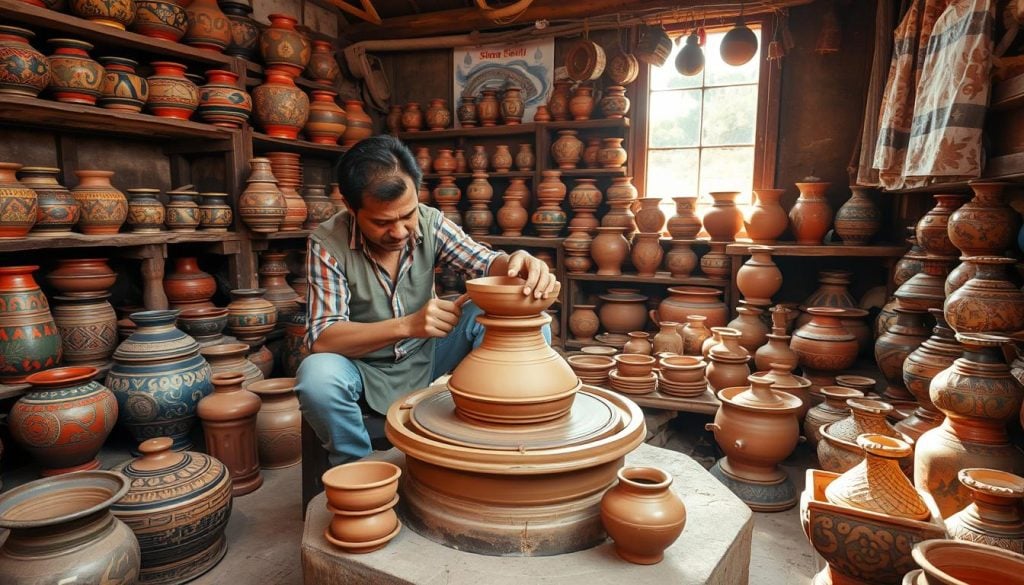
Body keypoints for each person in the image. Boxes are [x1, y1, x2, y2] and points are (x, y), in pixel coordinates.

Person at [295, 135, 559, 465]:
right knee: (317, 377)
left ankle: (491, 438)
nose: (401, 232)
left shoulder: (428, 221)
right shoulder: (327, 243)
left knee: (515, 319)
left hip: (428, 353)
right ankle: (359, 472)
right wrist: (407, 325)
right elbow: (322, 337)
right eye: (382, 222)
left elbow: (484, 261)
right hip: (363, 366)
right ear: (350, 208)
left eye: (406, 215)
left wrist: (519, 261)